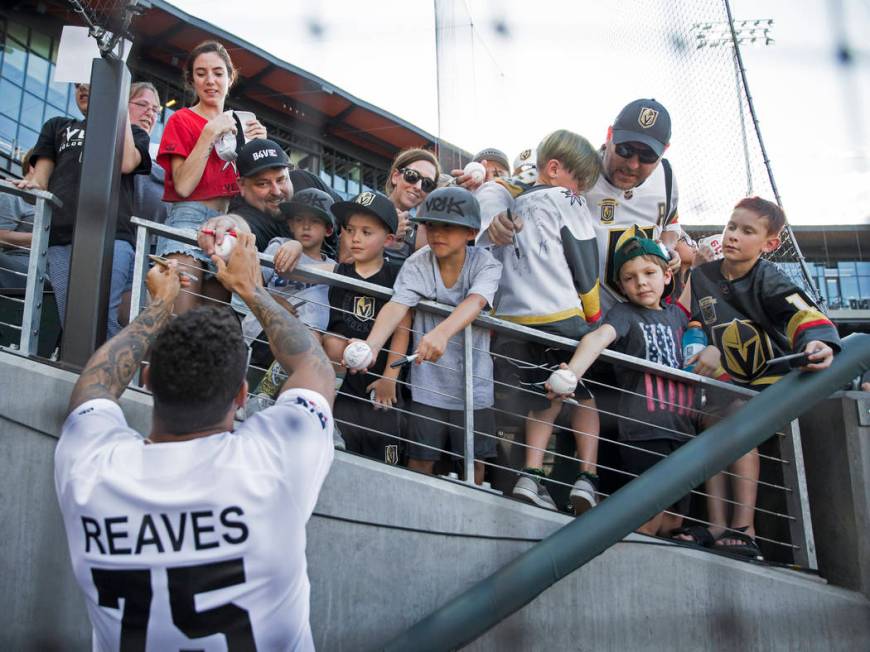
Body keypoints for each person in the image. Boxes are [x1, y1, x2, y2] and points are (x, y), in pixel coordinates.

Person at [55, 233, 335, 650]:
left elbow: (96, 388)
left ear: (147, 381)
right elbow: (314, 366)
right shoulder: (274, 462)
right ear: (241, 396)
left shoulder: (92, 471)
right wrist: (249, 287)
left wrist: (159, 306)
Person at [678, 196, 839, 558]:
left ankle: (744, 526)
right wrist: (703, 342)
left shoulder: (769, 278)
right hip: (728, 380)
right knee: (711, 420)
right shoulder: (703, 276)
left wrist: (819, 343)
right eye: (732, 226)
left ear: (769, 244)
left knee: (737, 414)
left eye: (747, 231)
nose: (733, 235)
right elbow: (689, 321)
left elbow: (804, 315)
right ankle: (716, 524)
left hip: (771, 380)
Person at [550, 230, 722, 533]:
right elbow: (598, 338)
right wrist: (572, 373)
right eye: (629, 278)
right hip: (644, 430)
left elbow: (692, 288)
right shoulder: (625, 314)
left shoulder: (678, 315)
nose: (640, 282)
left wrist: (713, 349)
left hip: (683, 430)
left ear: (667, 275)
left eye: (649, 272)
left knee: (673, 519)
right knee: (648, 511)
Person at [483, 130, 602, 512]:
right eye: (581, 182)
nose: (581, 191)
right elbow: (584, 260)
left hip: (510, 324)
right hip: (558, 317)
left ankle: (531, 477)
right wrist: (593, 313)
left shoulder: (511, 206)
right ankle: (587, 477)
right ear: (554, 168)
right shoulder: (566, 198)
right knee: (584, 396)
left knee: (542, 400)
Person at [355, 187, 502, 484]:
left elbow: (475, 302)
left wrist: (441, 333)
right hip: (427, 387)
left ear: (472, 232)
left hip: (475, 389)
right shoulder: (418, 262)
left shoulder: (486, 264)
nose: (437, 232)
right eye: (431, 224)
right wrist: (370, 346)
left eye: (448, 225)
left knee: (473, 466)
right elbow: (397, 307)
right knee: (419, 461)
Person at [14, 81, 151, 338]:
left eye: (91, 82)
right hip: (61, 236)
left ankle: (111, 376)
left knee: (104, 319)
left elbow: (127, 163)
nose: (83, 88)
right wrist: (31, 185)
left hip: (114, 236)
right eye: (78, 85)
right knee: (72, 321)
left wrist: (118, 105)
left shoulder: (134, 132)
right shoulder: (57, 126)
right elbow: (40, 181)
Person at [156, 40, 267, 314]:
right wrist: (209, 132)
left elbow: (257, 199)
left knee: (212, 330)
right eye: (201, 73)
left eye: (218, 73)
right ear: (191, 79)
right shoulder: (181, 119)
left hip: (228, 228)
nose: (210, 81)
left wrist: (261, 152)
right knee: (179, 322)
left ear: (231, 78)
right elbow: (183, 186)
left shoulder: (243, 128)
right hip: (187, 220)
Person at [323, 191, 411, 463]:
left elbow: (402, 329)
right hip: (346, 386)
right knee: (344, 456)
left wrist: (389, 378)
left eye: (366, 232)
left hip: (381, 387)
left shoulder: (396, 276)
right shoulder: (338, 272)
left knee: (387, 461)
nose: (355, 238)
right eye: (349, 230)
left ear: (388, 239)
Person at [584, 98, 681, 315]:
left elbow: (670, 224)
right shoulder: (581, 167)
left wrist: (667, 249)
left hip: (644, 322)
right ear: (609, 135)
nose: (633, 164)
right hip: (584, 321)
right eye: (625, 150)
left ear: (664, 151)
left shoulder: (666, 175)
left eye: (647, 156)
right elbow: (524, 186)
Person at [0, 149, 35, 290]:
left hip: (48, 269)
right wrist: (42, 237)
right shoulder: (14, 194)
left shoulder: (50, 201)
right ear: (33, 167)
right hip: (19, 267)